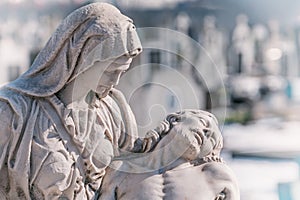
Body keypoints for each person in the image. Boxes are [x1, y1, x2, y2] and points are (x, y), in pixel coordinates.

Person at [0, 3, 157, 199]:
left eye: (121, 73)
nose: (115, 82)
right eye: (109, 72)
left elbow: (136, 174)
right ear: (82, 58)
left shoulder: (114, 111)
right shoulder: (15, 111)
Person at [99, 110, 240, 200]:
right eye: (203, 123)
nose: (206, 132)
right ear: (175, 119)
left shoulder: (214, 175)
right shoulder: (121, 169)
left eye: (212, 139)